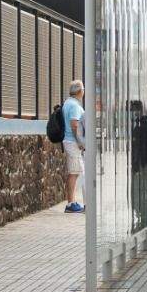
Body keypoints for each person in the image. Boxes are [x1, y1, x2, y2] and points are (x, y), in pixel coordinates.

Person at [62, 80, 87, 213]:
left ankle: (71, 202)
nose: (84, 92)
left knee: (75, 172)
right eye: (83, 89)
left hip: (69, 141)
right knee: (74, 173)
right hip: (73, 142)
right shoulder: (75, 106)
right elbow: (75, 125)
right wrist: (80, 142)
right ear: (79, 91)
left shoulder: (68, 103)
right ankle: (71, 204)